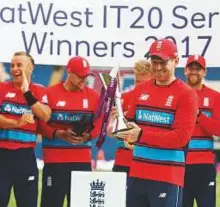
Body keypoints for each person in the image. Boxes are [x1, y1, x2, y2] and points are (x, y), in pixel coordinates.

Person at [108, 39, 198, 207]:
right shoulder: (141, 90)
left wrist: (141, 135)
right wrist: (123, 127)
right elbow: (133, 123)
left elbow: (181, 138)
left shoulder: (187, 94)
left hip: (167, 176)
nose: (157, 67)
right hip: (137, 173)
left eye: (163, 62)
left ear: (176, 61)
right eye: (154, 62)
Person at [38, 56, 101, 207]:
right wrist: (59, 133)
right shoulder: (50, 93)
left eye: (86, 76)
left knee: (80, 204)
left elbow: (99, 124)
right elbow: (40, 123)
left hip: (82, 162)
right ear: (69, 72)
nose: (83, 80)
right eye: (80, 76)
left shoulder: (93, 96)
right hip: (54, 161)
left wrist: (88, 135)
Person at [0, 51, 51, 207]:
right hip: (2, 155)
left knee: (27, 203)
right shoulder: (2, 88)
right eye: (12, 65)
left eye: (19, 65)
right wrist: (17, 122)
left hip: (26, 156)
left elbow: (45, 115)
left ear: (30, 68)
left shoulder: (39, 90)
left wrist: (26, 92)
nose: (14, 69)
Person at [183, 55, 220, 207]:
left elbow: (217, 130)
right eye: (191, 68)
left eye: (198, 69)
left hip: (204, 165)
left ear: (204, 72)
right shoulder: (178, 94)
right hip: (180, 164)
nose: (194, 72)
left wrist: (198, 114)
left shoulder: (215, 97)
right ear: (185, 71)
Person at [113, 60, 153, 174]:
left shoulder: (159, 100)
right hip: (124, 160)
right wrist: (118, 121)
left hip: (147, 160)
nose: (139, 85)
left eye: (143, 82)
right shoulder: (123, 98)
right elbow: (110, 131)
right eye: (137, 81)